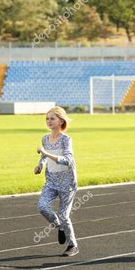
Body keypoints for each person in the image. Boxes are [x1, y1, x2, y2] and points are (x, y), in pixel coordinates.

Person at [35, 106, 79, 257]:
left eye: (52, 118)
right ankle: (59, 226)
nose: (48, 121)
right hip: (51, 181)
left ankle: (72, 245)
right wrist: (40, 165)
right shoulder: (45, 139)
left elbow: (67, 160)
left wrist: (46, 153)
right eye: (47, 118)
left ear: (61, 121)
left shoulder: (66, 139)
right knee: (42, 207)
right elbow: (44, 157)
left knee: (64, 214)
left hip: (67, 183)